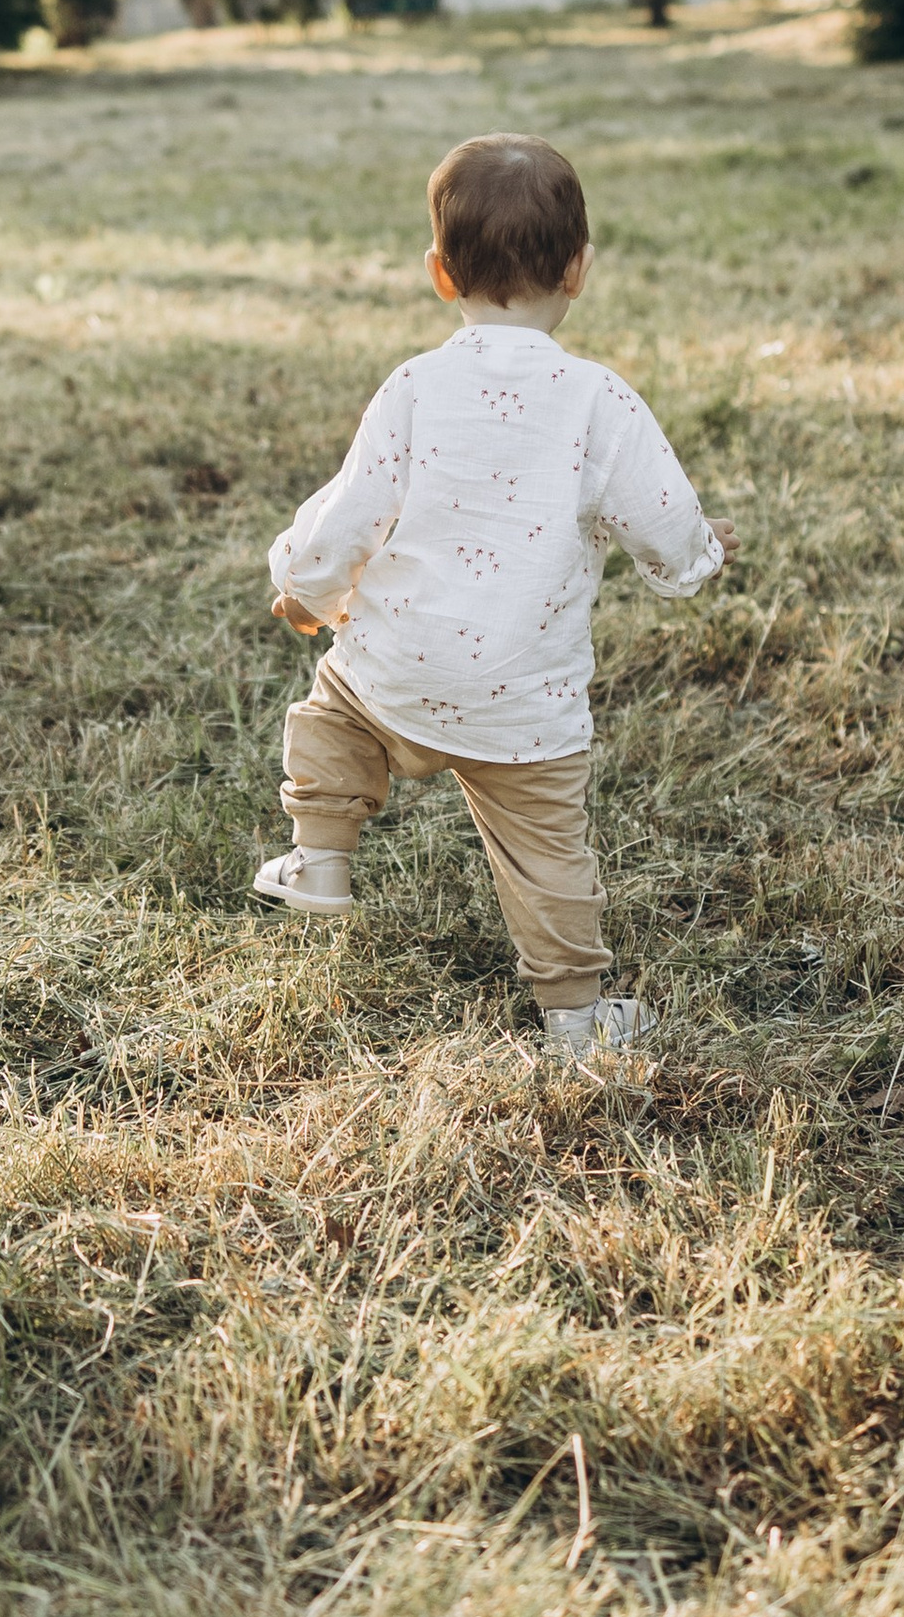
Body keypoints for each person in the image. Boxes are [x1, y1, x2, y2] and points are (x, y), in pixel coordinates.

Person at [255, 132, 731, 1056]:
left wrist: (303, 587)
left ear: (440, 273)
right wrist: (697, 558)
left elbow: (348, 514)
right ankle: (577, 1022)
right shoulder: (600, 400)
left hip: (399, 667)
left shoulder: (414, 388)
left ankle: (319, 859)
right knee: (547, 854)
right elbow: (663, 514)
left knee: (330, 717)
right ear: (580, 269)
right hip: (524, 699)